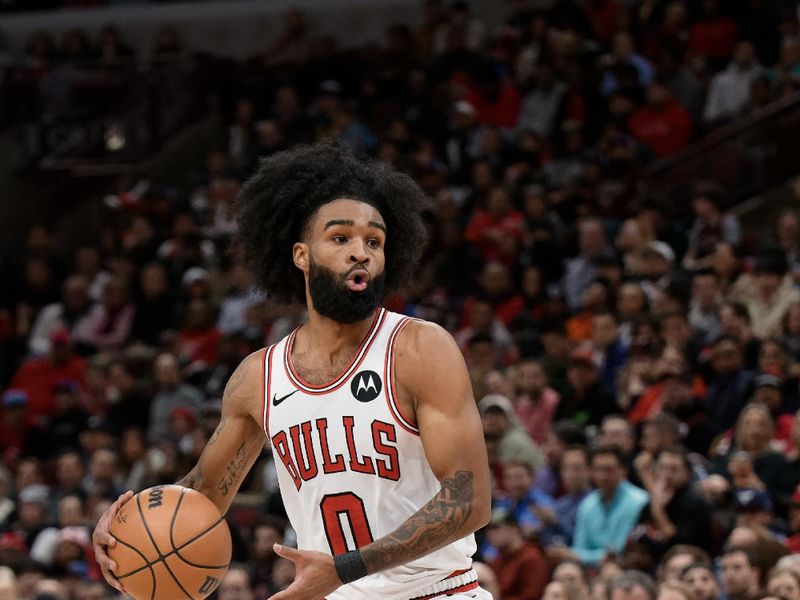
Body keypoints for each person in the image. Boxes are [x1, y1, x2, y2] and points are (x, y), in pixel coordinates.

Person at [92, 142, 492, 599]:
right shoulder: (258, 378)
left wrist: (345, 569)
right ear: (301, 255)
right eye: (340, 238)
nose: (360, 252)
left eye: (374, 241)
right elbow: (204, 495)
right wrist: (124, 526)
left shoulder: (419, 348)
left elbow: (469, 500)